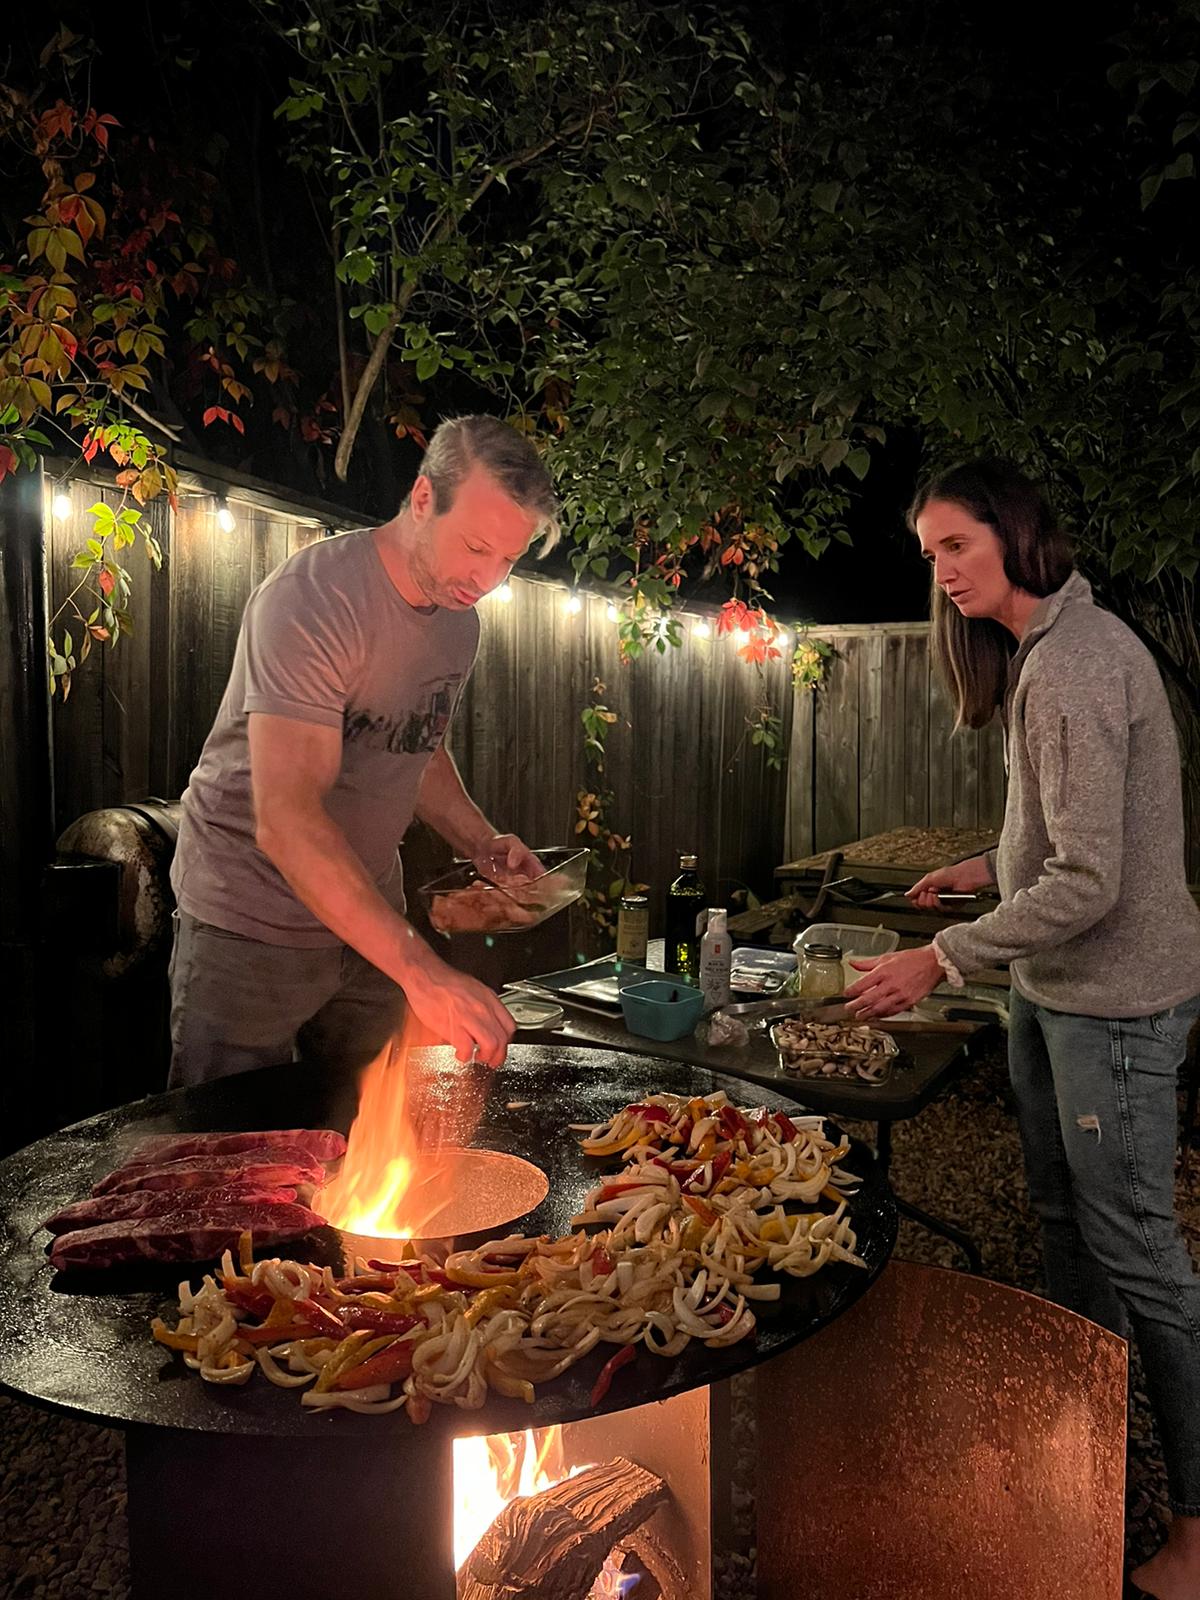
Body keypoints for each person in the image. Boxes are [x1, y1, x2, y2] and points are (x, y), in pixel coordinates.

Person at [844, 458, 1200, 1600]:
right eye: (929, 553)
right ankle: (1086, 1447)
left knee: (1142, 1256)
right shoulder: (1043, 653)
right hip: (1049, 996)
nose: (941, 571)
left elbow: (1091, 879)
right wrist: (978, 871)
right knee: (1063, 1226)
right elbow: (1045, 843)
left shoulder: (1083, 662)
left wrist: (939, 955)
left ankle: (1195, 1529)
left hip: (1118, 1008)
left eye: (955, 544)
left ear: (1012, 533)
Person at [168, 415, 558, 1087]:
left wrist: (482, 843)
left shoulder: (457, 625)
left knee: (375, 1132)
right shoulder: (313, 600)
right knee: (222, 1154)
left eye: (508, 559)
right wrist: (423, 970)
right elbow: (287, 819)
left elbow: (415, 743)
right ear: (424, 498)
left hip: (369, 922)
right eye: (474, 547)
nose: (486, 579)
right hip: (248, 922)